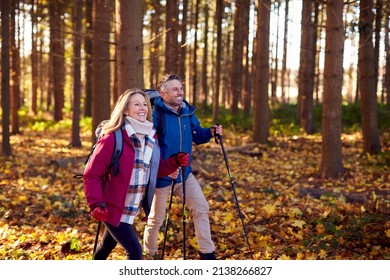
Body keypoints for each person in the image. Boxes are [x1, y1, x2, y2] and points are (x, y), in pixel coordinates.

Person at [83, 88, 190, 260]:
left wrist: (174, 162)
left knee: (105, 246)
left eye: (144, 104)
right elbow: (92, 174)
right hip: (111, 207)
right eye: (136, 104)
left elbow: (152, 170)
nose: (142, 108)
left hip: (130, 208)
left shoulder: (150, 137)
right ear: (125, 109)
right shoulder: (112, 138)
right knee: (135, 252)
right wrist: (95, 204)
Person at [143, 74, 223, 260]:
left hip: (185, 175)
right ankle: (149, 255)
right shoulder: (156, 115)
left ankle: (207, 254)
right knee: (156, 220)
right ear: (163, 93)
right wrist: (164, 168)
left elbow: (197, 134)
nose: (180, 92)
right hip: (163, 177)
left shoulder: (187, 111)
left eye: (181, 88)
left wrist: (210, 132)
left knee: (201, 208)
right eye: (175, 89)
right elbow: (146, 147)